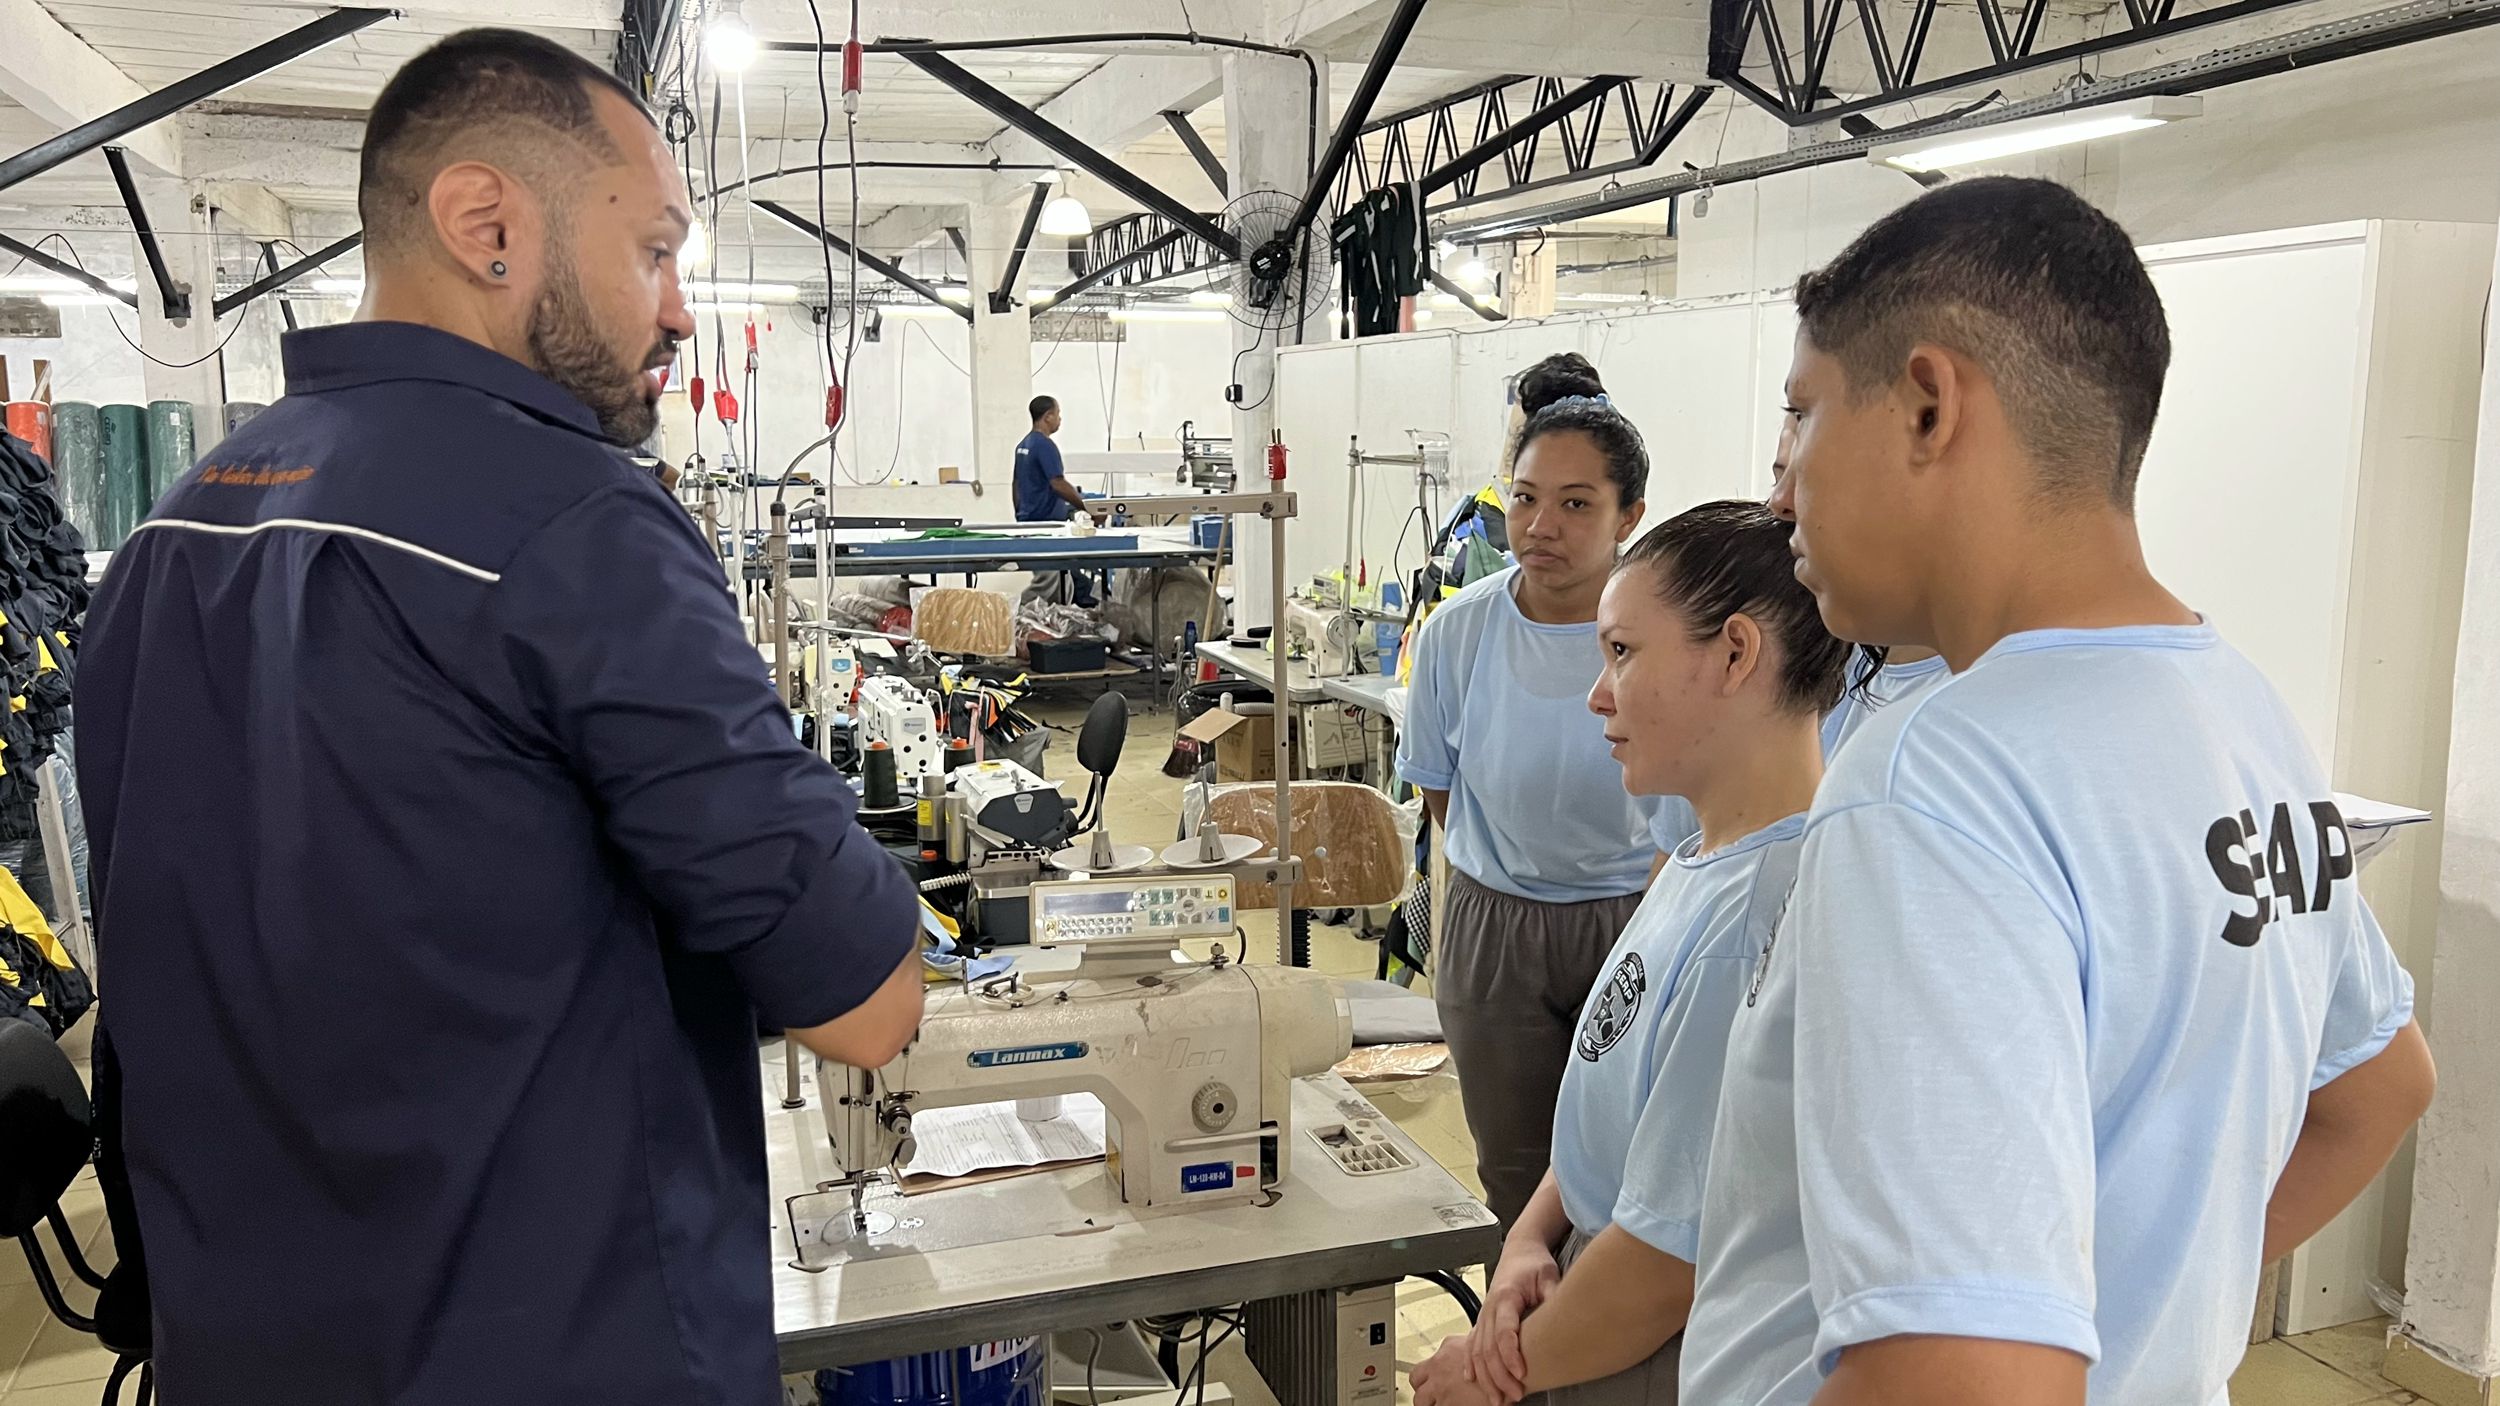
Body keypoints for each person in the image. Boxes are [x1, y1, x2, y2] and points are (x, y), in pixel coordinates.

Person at [75, 30, 924, 1405]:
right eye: (654, 252)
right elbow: (868, 999)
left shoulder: (178, 532)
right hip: (552, 1347)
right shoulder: (577, 524)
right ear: (487, 225)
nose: (680, 313)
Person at [1681, 176, 2436, 1405]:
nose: (1781, 493)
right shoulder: (2244, 713)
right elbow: (2380, 1083)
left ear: (1927, 407)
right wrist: (2140, 1322)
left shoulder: (1937, 779)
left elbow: (1962, 1380)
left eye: (1804, 417)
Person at [1409, 500, 1848, 1406]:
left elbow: (1661, 1267)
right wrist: (1533, 1235)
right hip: (1584, 1286)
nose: (1596, 694)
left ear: (1734, 653)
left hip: (1644, 1350)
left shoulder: (1761, 923)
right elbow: (1613, 1101)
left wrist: (1488, 1374)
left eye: (1622, 653)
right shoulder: (1697, 861)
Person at [1397, 395, 1699, 1232]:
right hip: (1498, 930)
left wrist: (1638, 903)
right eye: (1526, 497)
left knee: (1628, 1173)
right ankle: (1518, 1354)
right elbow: (1440, 787)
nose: (1542, 525)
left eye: (1576, 504)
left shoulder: (1666, 637)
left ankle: (1593, 1348)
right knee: (1516, 1173)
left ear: (1628, 516)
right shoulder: (1459, 632)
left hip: (1636, 917)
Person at [1768, 411, 1949, 755]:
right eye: (1777, 479)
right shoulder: (1827, 654)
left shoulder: (1964, 711)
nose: (1780, 504)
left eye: (1810, 479)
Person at [1014, 393, 1103, 608]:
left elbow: (1016, 483)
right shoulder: (1045, 445)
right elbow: (1058, 484)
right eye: (1058, 414)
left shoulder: (1023, 445)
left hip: (1030, 522)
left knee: (1075, 585)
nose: (1060, 420)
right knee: (1047, 584)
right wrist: (1090, 508)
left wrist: (1020, 515)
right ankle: (1011, 615)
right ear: (1048, 417)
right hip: (1046, 528)